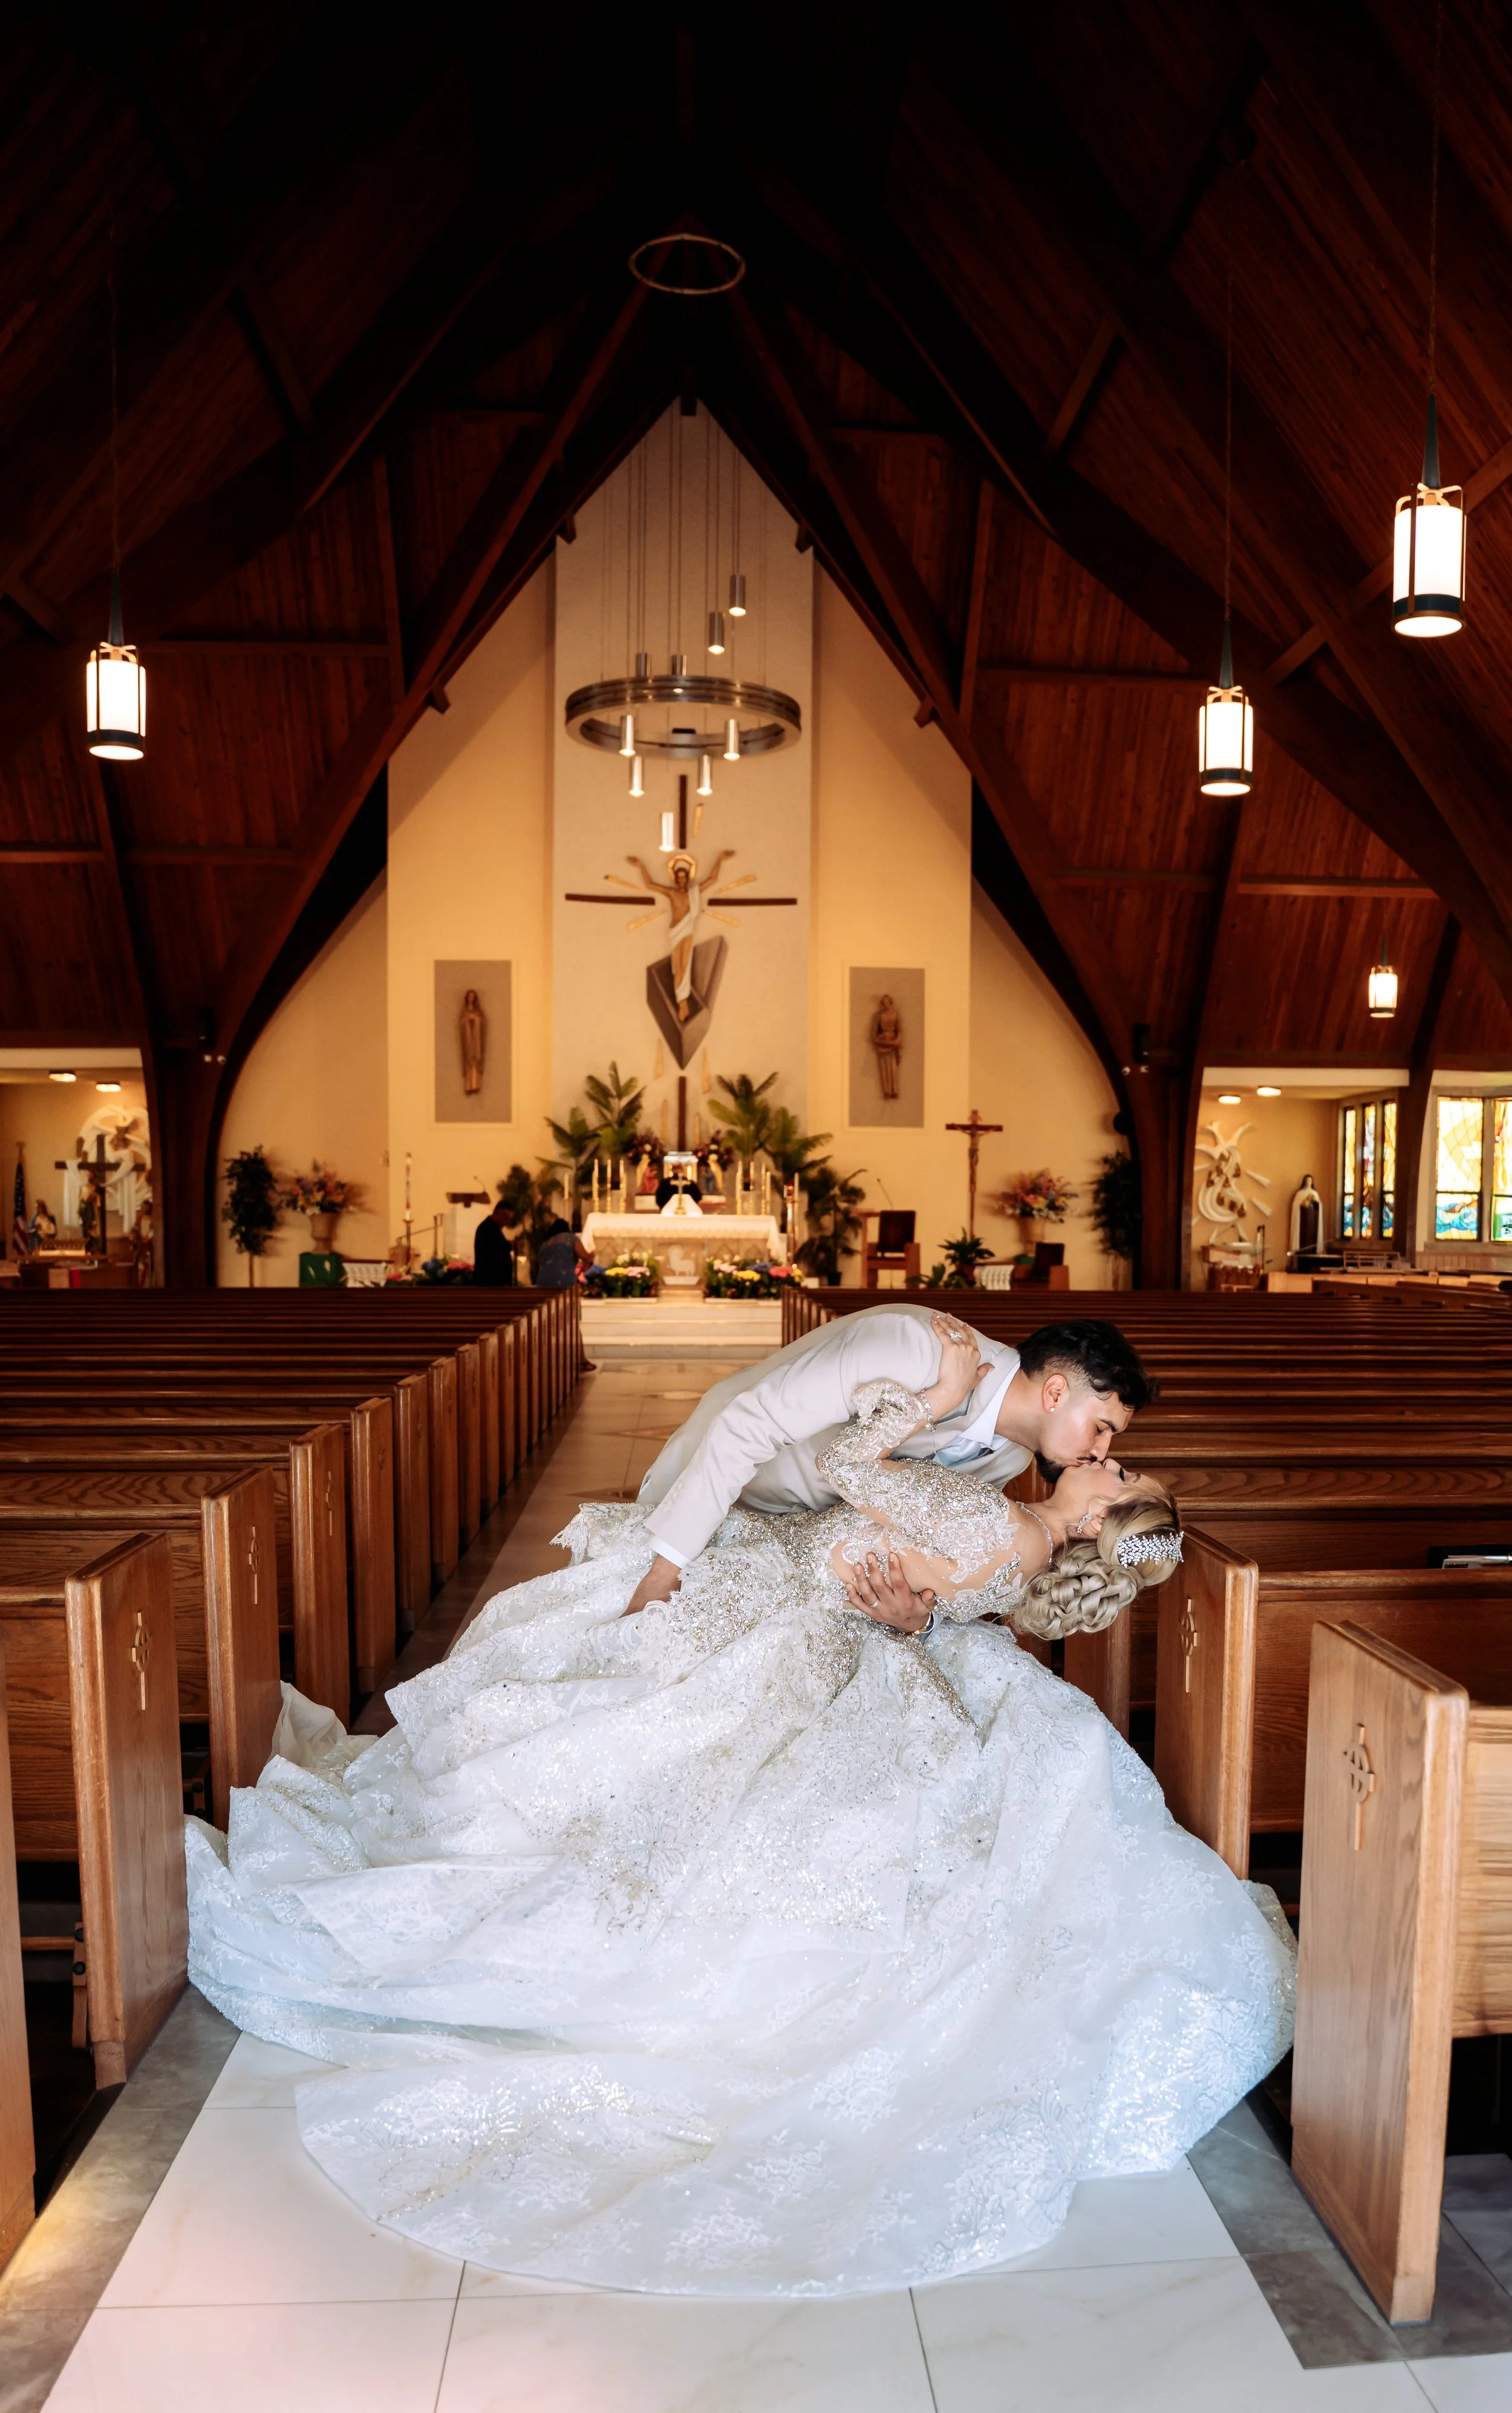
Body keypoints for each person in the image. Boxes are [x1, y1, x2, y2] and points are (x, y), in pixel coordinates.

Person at [186, 1353, 1293, 2295]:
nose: (1107, 1452)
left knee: (621, 1754)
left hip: (784, 1607)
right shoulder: (1024, 1546)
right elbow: (928, 1588)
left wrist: (930, 1396)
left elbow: (859, 1473)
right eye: (1114, 1438)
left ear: (1100, 1512)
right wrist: (908, 1596)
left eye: (1118, 1464)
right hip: (819, 1605)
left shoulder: (1002, 1519)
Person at [625, 1304, 1156, 1614]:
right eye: (1102, 1427)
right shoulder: (920, 1349)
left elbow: (940, 1554)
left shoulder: (1012, 1459)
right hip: (716, 1496)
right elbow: (747, 1425)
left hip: (796, 1564)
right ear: (1056, 1392)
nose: (1103, 1452)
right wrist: (663, 1574)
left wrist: (915, 1617)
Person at [535, 1215, 588, 1288]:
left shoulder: (545, 1244)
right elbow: (585, 1257)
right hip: (564, 1281)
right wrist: (591, 1256)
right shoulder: (571, 1238)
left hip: (543, 1282)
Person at [471, 1200, 515, 1286]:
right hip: (491, 1283)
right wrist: (509, 1246)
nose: (508, 1222)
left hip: (494, 1283)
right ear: (499, 1214)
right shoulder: (487, 1228)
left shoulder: (492, 1228)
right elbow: (495, 1253)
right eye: (507, 1218)